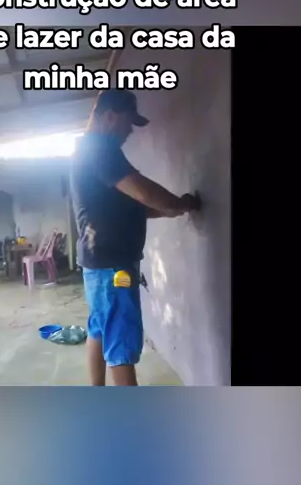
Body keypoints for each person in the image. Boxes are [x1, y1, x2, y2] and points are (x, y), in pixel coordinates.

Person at [70, 88, 202, 386]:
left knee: (100, 328)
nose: (129, 131)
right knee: (121, 345)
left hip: (97, 263)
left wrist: (168, 210)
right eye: (128, 122)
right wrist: (178, 204)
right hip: (114, 265)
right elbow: (142, 191)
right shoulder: (101, 150)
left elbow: (124, 206)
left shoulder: (88, 150)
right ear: (110, 117)